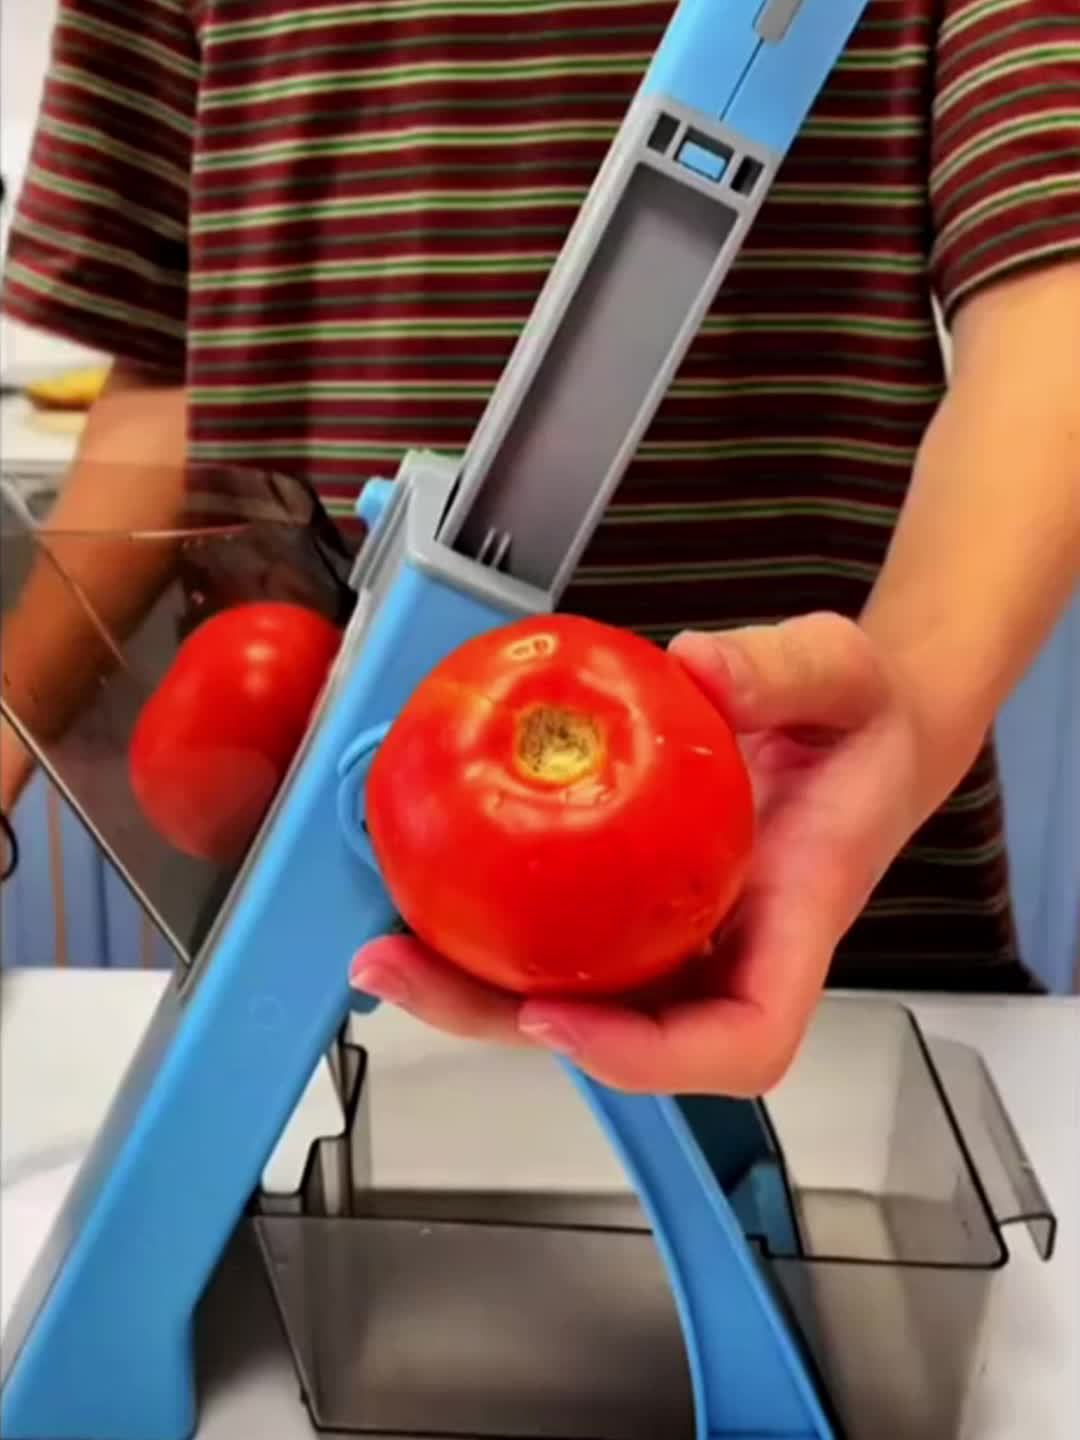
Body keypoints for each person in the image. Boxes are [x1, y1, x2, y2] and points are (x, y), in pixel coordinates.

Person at [1, 0, 1078, 1097]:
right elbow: (159, 357)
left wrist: (907, 707)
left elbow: (1057, 273)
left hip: (825, 939)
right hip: (311, 956)